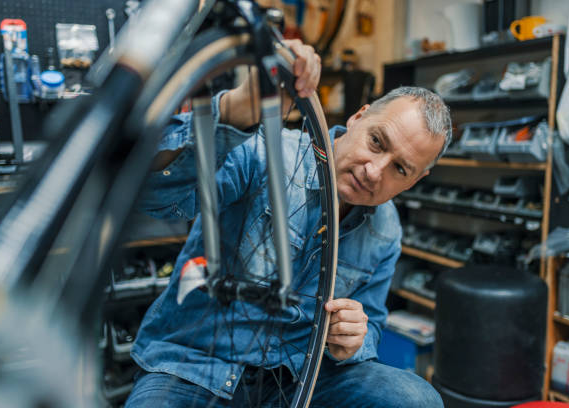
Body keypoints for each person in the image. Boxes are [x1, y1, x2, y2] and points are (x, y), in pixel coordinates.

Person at [125, 40, 451, 407]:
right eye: (377, 142)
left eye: (400, 169)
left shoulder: (386, 230)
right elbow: (152, 195)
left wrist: (356, 339)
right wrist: (233, 113)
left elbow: (371, 323)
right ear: (358, 118)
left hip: (301, 379)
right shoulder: (265, 151)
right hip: (197, 366)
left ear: (413, 182)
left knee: (417, 399)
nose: (374, 172)